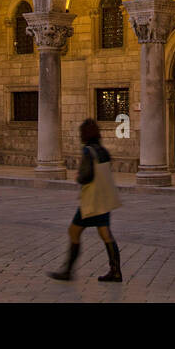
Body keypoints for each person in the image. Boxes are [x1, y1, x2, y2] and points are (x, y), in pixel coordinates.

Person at [49, 119, 123, 282]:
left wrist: (79, 177)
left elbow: (86, 176)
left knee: (74, 231)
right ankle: (116, 271)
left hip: (91, 200)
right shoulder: (103, 151)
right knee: (105, 234)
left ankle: (67, 271)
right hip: (104, 200)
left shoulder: (88, 151)